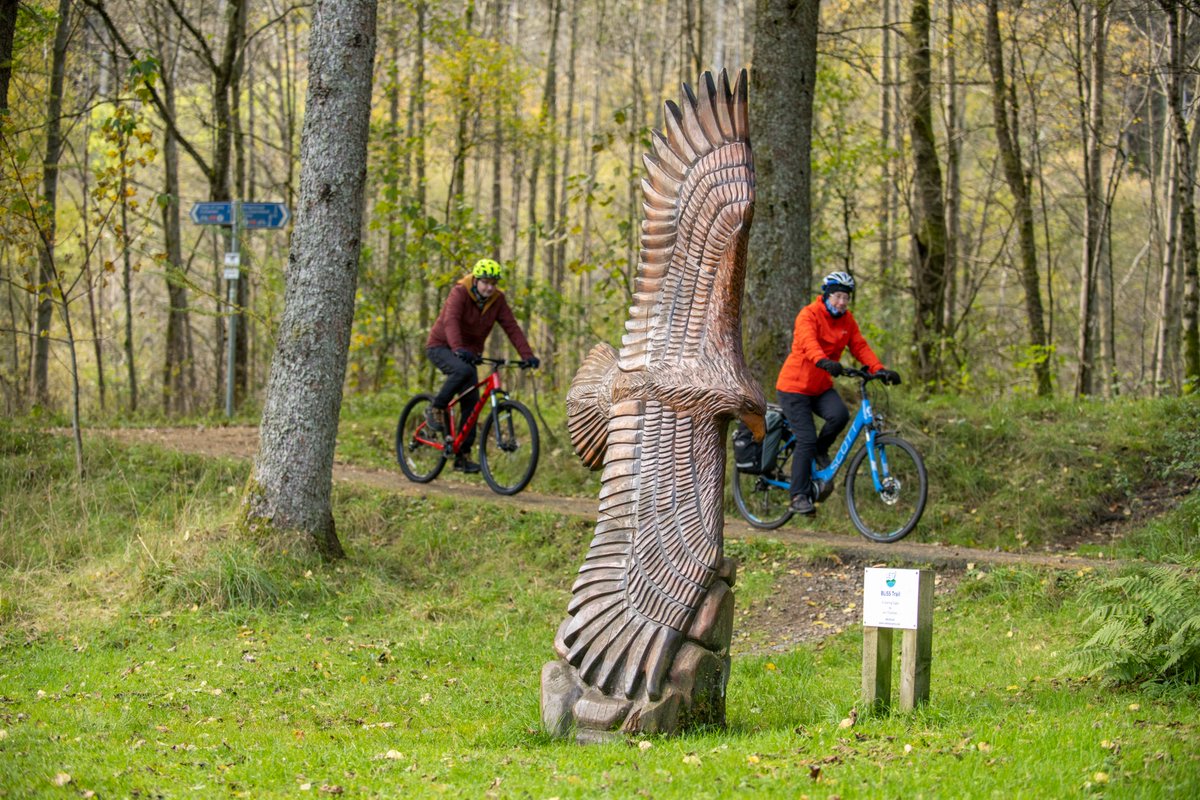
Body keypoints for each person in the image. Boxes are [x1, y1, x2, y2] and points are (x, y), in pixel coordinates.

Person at [775, 271, 901, 515]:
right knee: (806, 439)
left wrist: (879, 370)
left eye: (846, 297)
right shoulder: (809, 314)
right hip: (794, 388)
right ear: (826, 296)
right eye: (837, 297)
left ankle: (820, 450)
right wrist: (822, 360)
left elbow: (859, 346)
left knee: (840, 415)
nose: (842, 302)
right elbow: (808, 342)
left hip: (820, 387)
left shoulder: (847, 321)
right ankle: (798, 495)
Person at [425, 258, 539, 473]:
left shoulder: (497, 300)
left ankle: (462, 456)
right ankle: (436, 407)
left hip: (469, 354)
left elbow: (511, 327)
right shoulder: (459, 292)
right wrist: (458, 348)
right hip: (441, 346)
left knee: (472, 403)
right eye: (485, 282)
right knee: (463, 370)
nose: (489, 287)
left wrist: (527, 355)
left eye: (493, 283)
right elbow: (451, 321)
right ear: (476, 280)